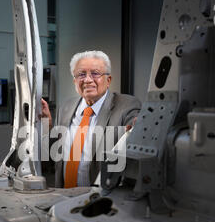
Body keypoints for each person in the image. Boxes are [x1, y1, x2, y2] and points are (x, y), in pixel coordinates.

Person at [42, 50, 141, 188]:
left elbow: (134, 123)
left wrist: (137, 127)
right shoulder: (66, 107)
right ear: (75, 81)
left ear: (108, 80)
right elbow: (54, 155)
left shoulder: (126, 105)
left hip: (100, 201)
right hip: (63, 196)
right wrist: (48, 125)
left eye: (95, 73)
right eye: (81, 74)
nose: (88, 80)